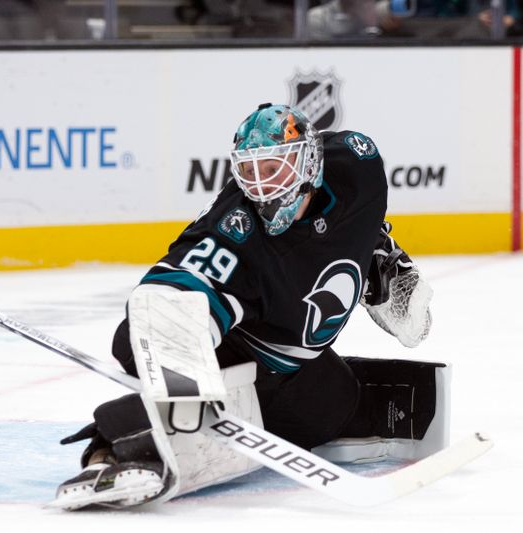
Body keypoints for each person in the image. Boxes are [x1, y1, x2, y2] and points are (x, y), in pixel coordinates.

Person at [53, 104, 441, 510]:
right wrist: (183, 360)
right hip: (238, 351)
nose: (262, 186)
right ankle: (112, 447)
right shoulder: (234, 233)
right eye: (250, 172)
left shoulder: (357, 163)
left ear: (310, 164)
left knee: (335, 400)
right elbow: (172, 296)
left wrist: (369, 246)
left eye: (274, 168)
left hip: (291, 359)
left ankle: (377, 256)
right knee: (173, 368)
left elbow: (355, 206)